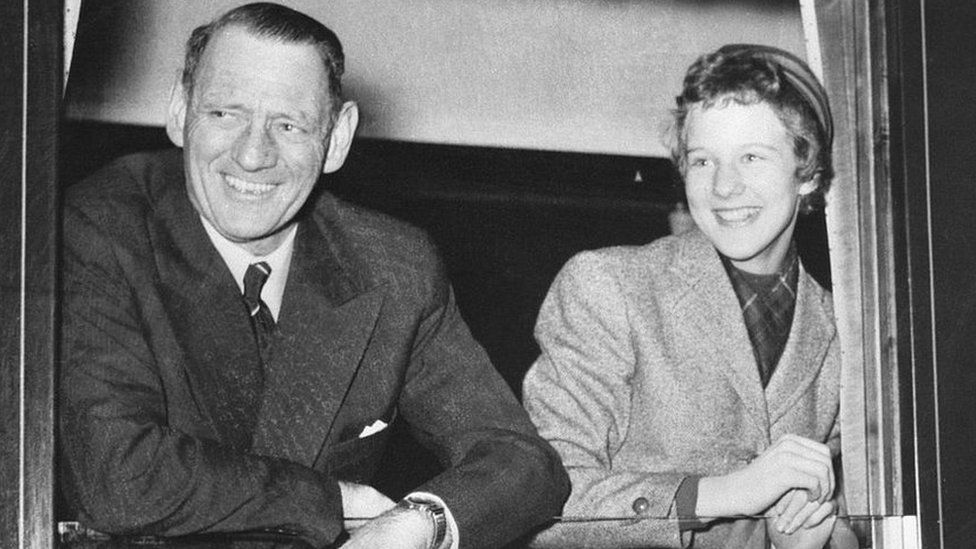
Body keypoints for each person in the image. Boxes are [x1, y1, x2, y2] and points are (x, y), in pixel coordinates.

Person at [58, 3, 569, 548]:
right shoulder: (100, 228)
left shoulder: (392, 264)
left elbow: (521, 460)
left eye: (288, 124)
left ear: (338, 137)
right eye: (225, 114)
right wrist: (337, 500)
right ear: (181, 113)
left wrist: (422, 522)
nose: (254, 155)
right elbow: (116, 475)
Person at [523, 44, 858, 548]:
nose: (724, 186)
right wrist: (724, 494)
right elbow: (541, 501)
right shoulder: (608, 287)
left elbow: (857, 519)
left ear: (807, 173)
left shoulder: (849, 335)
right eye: (703, 160)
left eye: (751, 156)